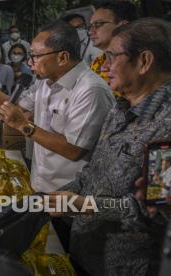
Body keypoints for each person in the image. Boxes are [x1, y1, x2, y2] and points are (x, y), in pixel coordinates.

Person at [46, 17, 171, 275]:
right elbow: (94, 171)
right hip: (86, 250)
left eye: (112, 56)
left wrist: (84, 205)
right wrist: (49, 200)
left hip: (124, 265)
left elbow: (154, 209)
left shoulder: (166, 128)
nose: (104, 65)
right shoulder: (121, 107)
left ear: (144, 61)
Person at [0, 22, 114, 193]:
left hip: (70, 195)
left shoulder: (91, 90)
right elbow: (13, 106)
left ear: (62, 57)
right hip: (41, 184)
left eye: (35, 56)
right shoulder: (45, 83)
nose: (29, 61)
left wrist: (24, 126)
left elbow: (74, 150)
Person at [89, 1, 138, 87]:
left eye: (98, 24)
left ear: (123, 25)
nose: (90, 32)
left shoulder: (138, 60)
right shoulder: (96, 64)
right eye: (91, 26)